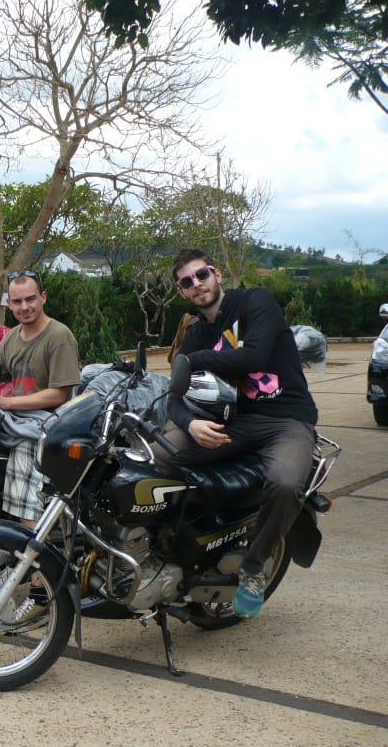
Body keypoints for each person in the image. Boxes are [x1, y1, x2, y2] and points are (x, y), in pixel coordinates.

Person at [153, 248, 318, 619]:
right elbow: (174, 395)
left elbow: (254, 357)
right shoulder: (197, 333)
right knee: (157, 454)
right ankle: (179, 543)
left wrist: (191, 360)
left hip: (286, 418)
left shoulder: (255, 302)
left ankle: (254, 567)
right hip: (234, 425)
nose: (197, 285)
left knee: (287, 482)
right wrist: (190, 423)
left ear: (217, 274)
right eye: (187, 282)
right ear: (181, 292)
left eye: (202, 275)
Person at [0, 270, 81, 528]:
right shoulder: (10, 338)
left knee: (24, 470)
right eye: (17, 302)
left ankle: (36, 565)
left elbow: (59, 394)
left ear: (43, 298)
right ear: (9, 303)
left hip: (50, 425)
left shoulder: (59, 337)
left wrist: (7, 402)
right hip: (18, 420)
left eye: (30, 299)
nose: (24, 307)